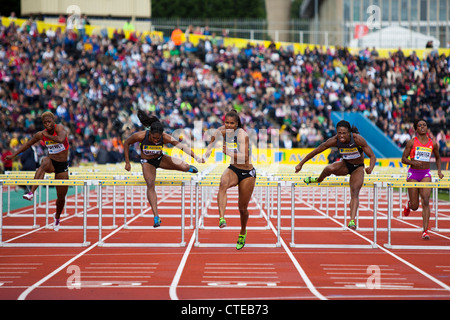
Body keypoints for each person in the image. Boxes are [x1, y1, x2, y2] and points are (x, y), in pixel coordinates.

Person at [123, 109, 204, 228]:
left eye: (158, 138)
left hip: (160, 158)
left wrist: (196, 157)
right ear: (149, 133)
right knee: (150, 183)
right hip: (147, 162)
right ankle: (156, 216)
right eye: (154, 138)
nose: (156, 140)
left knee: (184, 166)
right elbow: (126, 143)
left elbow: (182, 147)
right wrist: (127, 162)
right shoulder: (140, 136)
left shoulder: (165, 137)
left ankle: (187, 168)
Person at [295, 120, 376, 230]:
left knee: (355, 192)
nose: (341, 136)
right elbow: (317, 151)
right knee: (329, 168)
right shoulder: (334, 140)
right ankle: (318, 180)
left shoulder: (357, 139)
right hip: (345, 164)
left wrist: (370, 168)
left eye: (344, 133)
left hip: (358, 167)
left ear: (349, 133)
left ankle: (352, 220)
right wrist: (301, 164)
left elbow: (372, 156)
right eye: (339, 133)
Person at [5, 112, 70, 231]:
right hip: (51, 162)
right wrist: (14, 154)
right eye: (44, 122)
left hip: (62, 166)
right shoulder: (41, 134)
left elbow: (61, 139)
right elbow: (28, 144)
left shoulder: (59, 128)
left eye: (49, 121)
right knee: (44, 162)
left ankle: (57, 217)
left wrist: (47, 136)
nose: (47, 124)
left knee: (61, 198)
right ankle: (31, 192)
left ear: (53, 121)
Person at [203, 110, 256, 250]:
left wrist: (228, 152)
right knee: (222, 184)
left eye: (232, 123)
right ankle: (221, 218)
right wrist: (209, 150)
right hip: (233, 169)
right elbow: (213, 138)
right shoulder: (222, 130)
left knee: (242, 208)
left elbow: (244, 157)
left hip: (247, 172)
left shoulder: (242, 135)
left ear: (237, 124)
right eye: (227, 122)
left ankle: (243, 231)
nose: (229, 125)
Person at [401, 119, 444, 240]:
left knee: (425, 200)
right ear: (416, 129)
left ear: (427, 127)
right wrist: (412, 162)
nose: (422, 127)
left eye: (424, 125)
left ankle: (425, 230)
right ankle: (409, 204)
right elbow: (403, 159)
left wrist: (439, 171)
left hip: (425, 174)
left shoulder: (433, 143)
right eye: (420, 125)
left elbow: (438, 158)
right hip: (413, 173)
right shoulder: (411, 142)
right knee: (415, 206)